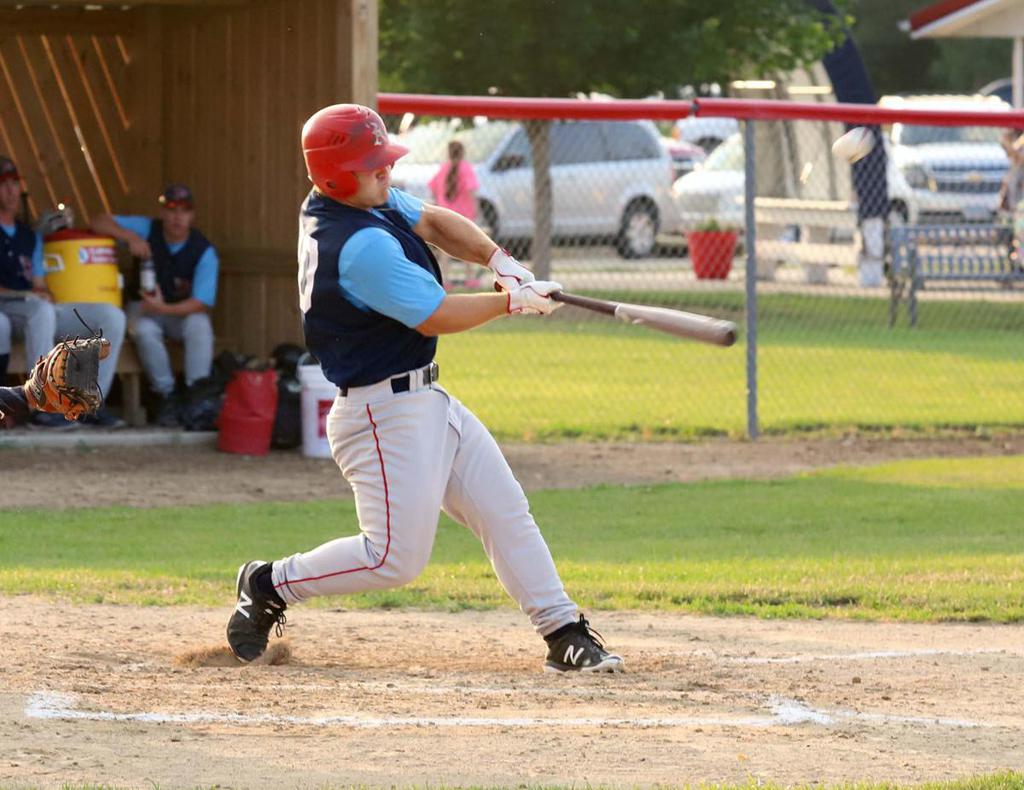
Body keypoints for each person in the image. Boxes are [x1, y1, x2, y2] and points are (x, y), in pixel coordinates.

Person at [226, 104, 624, 674]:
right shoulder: (359, 246)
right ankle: (268, 581)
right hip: (380, 414)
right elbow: (434, 314)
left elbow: (436, 222)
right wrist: (512, 302)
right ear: (337, 175)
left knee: (506, 511)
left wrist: (501, 261)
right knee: (392, 560)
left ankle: (563, 630)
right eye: (372, 165)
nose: (386, 173)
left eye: (384, 160)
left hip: (424, 400)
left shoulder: (353, 200)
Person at [0, 156, 126, 428]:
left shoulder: (28, 235)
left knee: (110, 316)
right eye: (3, 184)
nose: (11, 191)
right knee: (41, 310)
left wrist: (41, 292)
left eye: (14, 184)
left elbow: (38, 281)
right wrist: (33, 297)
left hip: (32, 309)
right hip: (7, 307)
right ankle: (46, 407)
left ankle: (89, 405)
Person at [91, 184, 219, 427]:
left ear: (192, 215)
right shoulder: (148, 228)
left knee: (200, 325)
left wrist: (163, 308)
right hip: (143, 307)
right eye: (171, 209)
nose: (177, 217)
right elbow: (98, 220)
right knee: (144, 329)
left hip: (177, 312)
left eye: (184, 210)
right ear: (162, 212)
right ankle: (166, 395)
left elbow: (200, 304)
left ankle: (197, 395)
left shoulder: (203, 250)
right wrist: (131, 238)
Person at [428, 140, 480, 288]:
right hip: (464, 217)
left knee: (445, 249)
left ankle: (445, 280)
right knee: (468, 246)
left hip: (446, 214)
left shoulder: (444, 168)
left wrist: (439, 200)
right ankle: (470, 279)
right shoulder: (466, 168)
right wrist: (476, 208)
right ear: (463, 153)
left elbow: (432, 186)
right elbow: (471, 190)